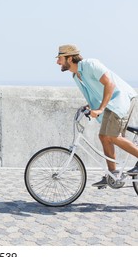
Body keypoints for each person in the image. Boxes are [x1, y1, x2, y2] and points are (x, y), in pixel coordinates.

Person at [56, 44, 138, 187]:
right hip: (110, 104)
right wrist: (89, 106)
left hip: (120, 100)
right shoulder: (76, 75)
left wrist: (100, 109)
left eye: (60, 59)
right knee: (103, 136)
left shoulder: (90, 64)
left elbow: (110, 84)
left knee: (113, 136)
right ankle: (112, 175)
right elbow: (94, 93)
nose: (58, 62)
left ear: (69, 58)